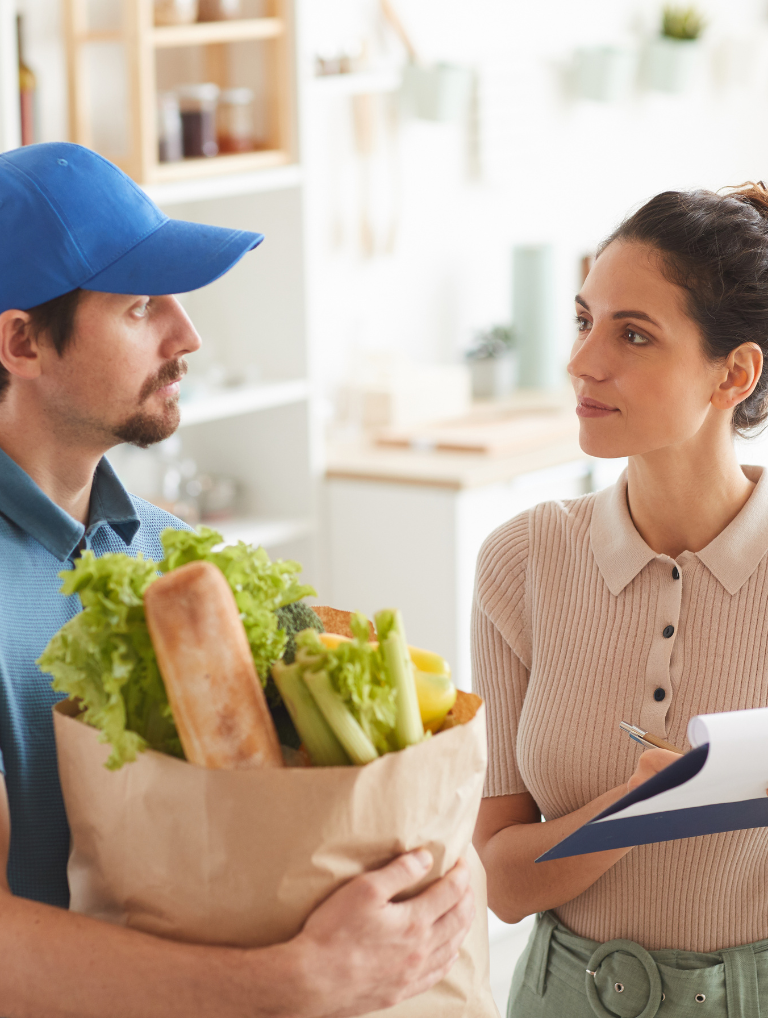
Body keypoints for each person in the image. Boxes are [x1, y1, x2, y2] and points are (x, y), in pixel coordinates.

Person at [0, 141, 473, 1018]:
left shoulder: (186, 559)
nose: (188, 334)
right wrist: (291, 983)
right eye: (141, 305)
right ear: (22, 341)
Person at [472, 183, 768, 1016]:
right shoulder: (523, 561)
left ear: (734, 374)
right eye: (584, 320)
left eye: (633, 334)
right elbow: (500, 880)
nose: (582, 362)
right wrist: (642, 810)